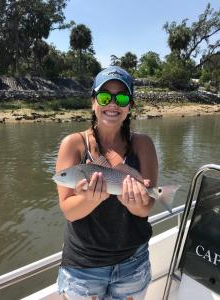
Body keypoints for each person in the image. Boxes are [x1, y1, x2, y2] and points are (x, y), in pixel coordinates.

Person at [55, 66, 158, 300]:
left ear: (130, 106)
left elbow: (146, 208)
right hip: (83, 267)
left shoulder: (144, 144)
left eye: (122, 97)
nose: (113, 104)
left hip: (133, 262)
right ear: (93, 102)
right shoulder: (73, 145)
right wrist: (90, 199)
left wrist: (134, 203)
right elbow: (68, 211)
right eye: (104, 97)